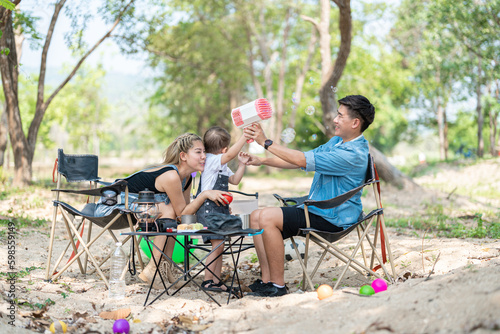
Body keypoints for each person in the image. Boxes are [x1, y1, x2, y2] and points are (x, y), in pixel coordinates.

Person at [241, 95, 376, 297]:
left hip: (332, 218)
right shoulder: (337, 142)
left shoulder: (352, 154)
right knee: (255, 216)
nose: (335, 120)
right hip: (318, 209)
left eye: (340, 116)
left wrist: (265, 142)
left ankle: (278, 287)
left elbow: (301, 159)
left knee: (267, 217)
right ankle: (267, 280)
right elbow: (300, 161)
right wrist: (262, 161)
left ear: (355, 123)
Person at [95, 133, 232, 289]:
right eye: (198, 152)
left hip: (145, 208)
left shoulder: (187, 178)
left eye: (204, 152)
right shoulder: (171, 176)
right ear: (183, 156)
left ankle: (165, 269)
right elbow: (182, 212)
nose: (204, 157)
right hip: (114, 203)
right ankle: (153, 269)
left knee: (172, 213)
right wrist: (205, 195)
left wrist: (214, 208)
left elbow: (186, 213)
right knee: (169, 211)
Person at [195, 126, 249, 292]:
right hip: (208, 210)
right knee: (217, 245)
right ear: (224, 149)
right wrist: (244, 137)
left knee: (220, 244)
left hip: (220, 210)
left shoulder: (221, 164)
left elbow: (234, 180)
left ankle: (216, 281)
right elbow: (230, 155)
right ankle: (207, 281)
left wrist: (241, 165)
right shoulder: (211, 159)